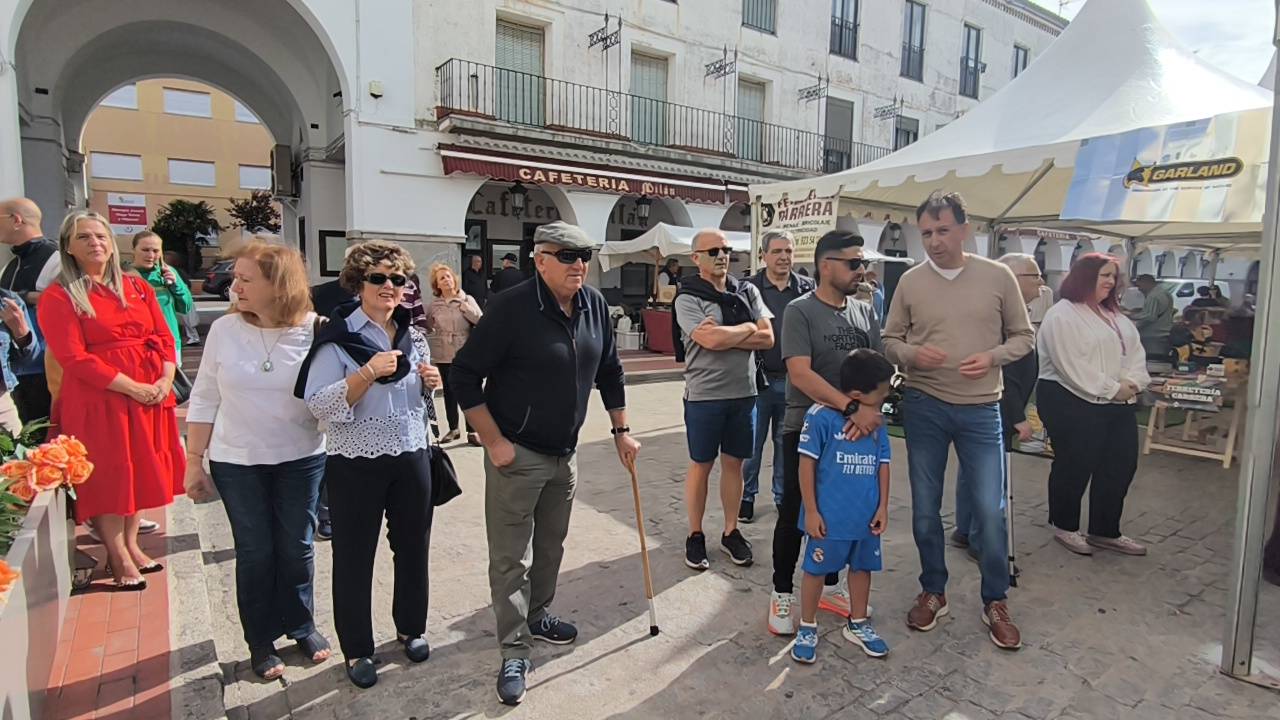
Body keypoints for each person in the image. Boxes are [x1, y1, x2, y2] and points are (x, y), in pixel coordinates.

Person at [450, 221, 639, 706]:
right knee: (512, 556)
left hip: (565, 453)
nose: (579, 264)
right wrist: (493, 442)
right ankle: (515, 647)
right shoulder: (511, 308)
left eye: (586, 255)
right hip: (518, 453)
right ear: (539, 259)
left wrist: (621, 430)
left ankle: (539, 614)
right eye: (568, 254)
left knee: (552, 545)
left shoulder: (593, 304)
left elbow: (611, 371)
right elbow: (466, 377)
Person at [882, 191, 1034, 650]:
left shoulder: (998, 276)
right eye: (926, 233)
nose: (934, 241)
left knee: (990, 510)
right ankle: (934, 589)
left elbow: (1024, 337)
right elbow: (889, 339)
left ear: (965, 230)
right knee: (925, 508)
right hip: (925, 404)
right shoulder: (910, 282)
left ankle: (995, 599)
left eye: (943, 230)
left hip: (982, 408)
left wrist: (991, 356)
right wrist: (911, 354)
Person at [297, 240, 442, 689]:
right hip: (355, 461)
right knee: (355, 558)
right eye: (379, 278)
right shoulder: (337, 336)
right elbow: (317, 404)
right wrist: (365, 373)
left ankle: (410, 627)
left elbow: (416, 397)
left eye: (398, 279)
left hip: (411, 453)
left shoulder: (413, 336)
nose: (390, 286)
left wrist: (430, 383)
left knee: (413, 548)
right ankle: (358, 649)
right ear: (358, 282)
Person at [183, 243, 330, 680]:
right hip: (237, 460)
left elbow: (337, 390)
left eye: (247, 279)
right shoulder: (226, 330)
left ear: (278, 285)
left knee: (297, 546)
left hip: (301, 458)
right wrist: (194, 460)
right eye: (237, 278)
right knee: (256, 551)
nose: (236, 286)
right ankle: (260, 640)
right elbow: (205, 395)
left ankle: (301, 624)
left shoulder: (316, 329)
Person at [39, 210, 184, 591]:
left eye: (101, 236)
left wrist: (165, 377)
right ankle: (116, 554)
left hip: (149, 393)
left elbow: (163, 335)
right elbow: (73, 358)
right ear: (68, 246)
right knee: (109, 475)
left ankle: (132, 544)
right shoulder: (60, 296)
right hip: (99, 399)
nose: (95, 243)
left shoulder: (136, 288)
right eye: (84, 237)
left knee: (137, 472)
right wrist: (131, 387)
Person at [769, 230, 882, 636]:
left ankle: (830, 587)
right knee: (796, 513)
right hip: (806, 428)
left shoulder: (864, 311)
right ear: (826, 265)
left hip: (855, 434)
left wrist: (872, 409)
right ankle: (782, 594)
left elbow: (876, 370)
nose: (861, 270)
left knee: (843, 514)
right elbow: (800, 373)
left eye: (862, 262)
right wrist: (851, 407)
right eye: (853, 263)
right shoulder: (800, 311)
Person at [1036, 254, 1151, 557]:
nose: (1111, 281)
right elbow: (1070, 364)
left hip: (1117, 400)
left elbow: (1135, 354)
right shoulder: (1062, 314)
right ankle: (1065, 526)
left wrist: (1134, 384)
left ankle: (1105, 530)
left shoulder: (1115, 316)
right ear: (1085, 277)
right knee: (1076, 463)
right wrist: (1111, 389)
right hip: (1070, 399)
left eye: (1114, 276)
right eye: (1104, 275)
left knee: (1120, 464)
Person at [674, 229, 773, 571]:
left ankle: (731, 532)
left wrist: (728, 333)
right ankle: (696, 534)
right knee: (701, 465)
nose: (721, 255)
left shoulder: (746, 290)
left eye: (726, 249)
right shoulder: (687, 297)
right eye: (713, 250)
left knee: (735, 465)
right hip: (704, 396)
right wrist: (747, 328)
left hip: (744, 395)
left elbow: (769, 337)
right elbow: (710, 341)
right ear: (696, 258)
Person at [791, 349, 895, 664]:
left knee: (862, 568)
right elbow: (805, 465)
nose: (884, 402)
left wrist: (882, 507)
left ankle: (858, 621)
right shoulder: (820, 417)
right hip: (828, 519)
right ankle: (807, 625)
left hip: (864, 519)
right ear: (856, 395)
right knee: (816, 570)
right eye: (880, 396)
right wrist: (811, 510)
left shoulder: (877, 423)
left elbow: (884, 464)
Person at [952, 253, 1045, 550]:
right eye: (1035, 275)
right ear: (1013, 279)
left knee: (973, 471)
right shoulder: (999, 316)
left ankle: (966, 530)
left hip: (986, 406)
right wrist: (1017, 416)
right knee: (990, 478)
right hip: (991, 406)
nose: (1041, 281)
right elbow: (1001, 373)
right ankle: (983, 540)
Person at [743, 230, 813, 522]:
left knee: (787, 446)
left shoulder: (807, 289)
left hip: (794, 382)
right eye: (777, 252)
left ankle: (783, 497)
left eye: (788, 251)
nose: (784, 257)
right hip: (758, 381)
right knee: (751, 446)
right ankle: (747, 497)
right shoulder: (748, 289)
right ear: (763, 256)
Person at [0, 197, 59, 428]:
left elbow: (74, 299)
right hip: (13, 373)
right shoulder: (10, 265)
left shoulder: (57, 257)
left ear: (17, 220)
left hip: (46, 367)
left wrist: (23, 297)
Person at [424, 262, 482, 445]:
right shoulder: (434, 305)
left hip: (465, 350)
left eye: (448, 276)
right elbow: (427, 325)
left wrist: (466, 309)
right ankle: (453, 428)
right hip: (444, 351)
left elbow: (481, 321)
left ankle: (473, 430)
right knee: (449, 391)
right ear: (437, 285)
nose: (446, 280)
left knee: (470, 389)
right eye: (442, 278)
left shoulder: (467, 299)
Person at [130, 231, 194, 358]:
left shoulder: (167, 273)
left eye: (156, 250)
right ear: (133, 250)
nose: (151, 255)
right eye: (145, 250)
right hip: (137, 345)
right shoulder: (124, 274)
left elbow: (186, 307)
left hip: (169, 344)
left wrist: (176, 285)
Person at [0, 287, 38, 433]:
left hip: (2, 403)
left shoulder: (8, 301)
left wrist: (20, 331)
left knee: (16, 452)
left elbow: (29, 360)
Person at [1127, 274, 1173, 359]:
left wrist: (1130, 316)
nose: (1139, 289)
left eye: (1139, 285)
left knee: (1151, 361)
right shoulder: (1164, 292)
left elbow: (1150, 316)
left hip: (1153, 336)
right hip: (1164, 332)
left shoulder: (1153, 296)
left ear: (1146, 283)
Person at [164, 251, 201, 346]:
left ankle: (193, 337)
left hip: (180, 298)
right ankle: (192, 337)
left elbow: (186, 285)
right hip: (176, 298)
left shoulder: (174, 271)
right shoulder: (173, 270)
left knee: (187, 319)